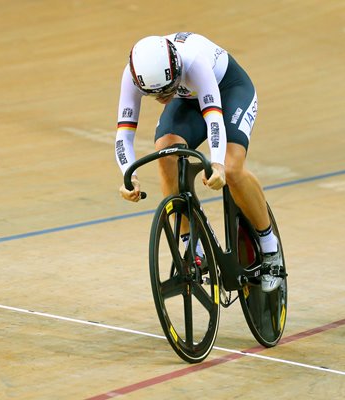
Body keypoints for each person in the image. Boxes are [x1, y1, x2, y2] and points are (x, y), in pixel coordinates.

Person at [114, 33, 283, 292]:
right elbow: (124, 135)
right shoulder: (133, 73)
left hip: (229, 90)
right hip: (186, 97)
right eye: (154, 95)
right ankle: (192, 244)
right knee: (165, 152)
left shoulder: (194, 60)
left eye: (165, 91)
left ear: (176, 68)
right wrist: (129, 176)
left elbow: (214, 119)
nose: (161, 99)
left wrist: (217, 165)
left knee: (232, 167)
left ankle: (270, 246)